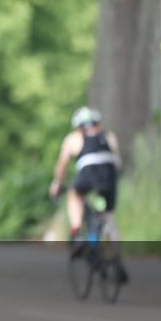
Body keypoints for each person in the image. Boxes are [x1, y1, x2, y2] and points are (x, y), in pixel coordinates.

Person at [49, 107, 127, 280]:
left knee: (74, 196)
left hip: (88, 174)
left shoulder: (73, 138)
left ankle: (77, 233)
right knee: (107, 215)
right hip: (109, 175)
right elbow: (118, 163)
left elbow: (62, 166)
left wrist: (57, 184)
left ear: (78, 125)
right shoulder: (109, 136)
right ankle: (116, 257)